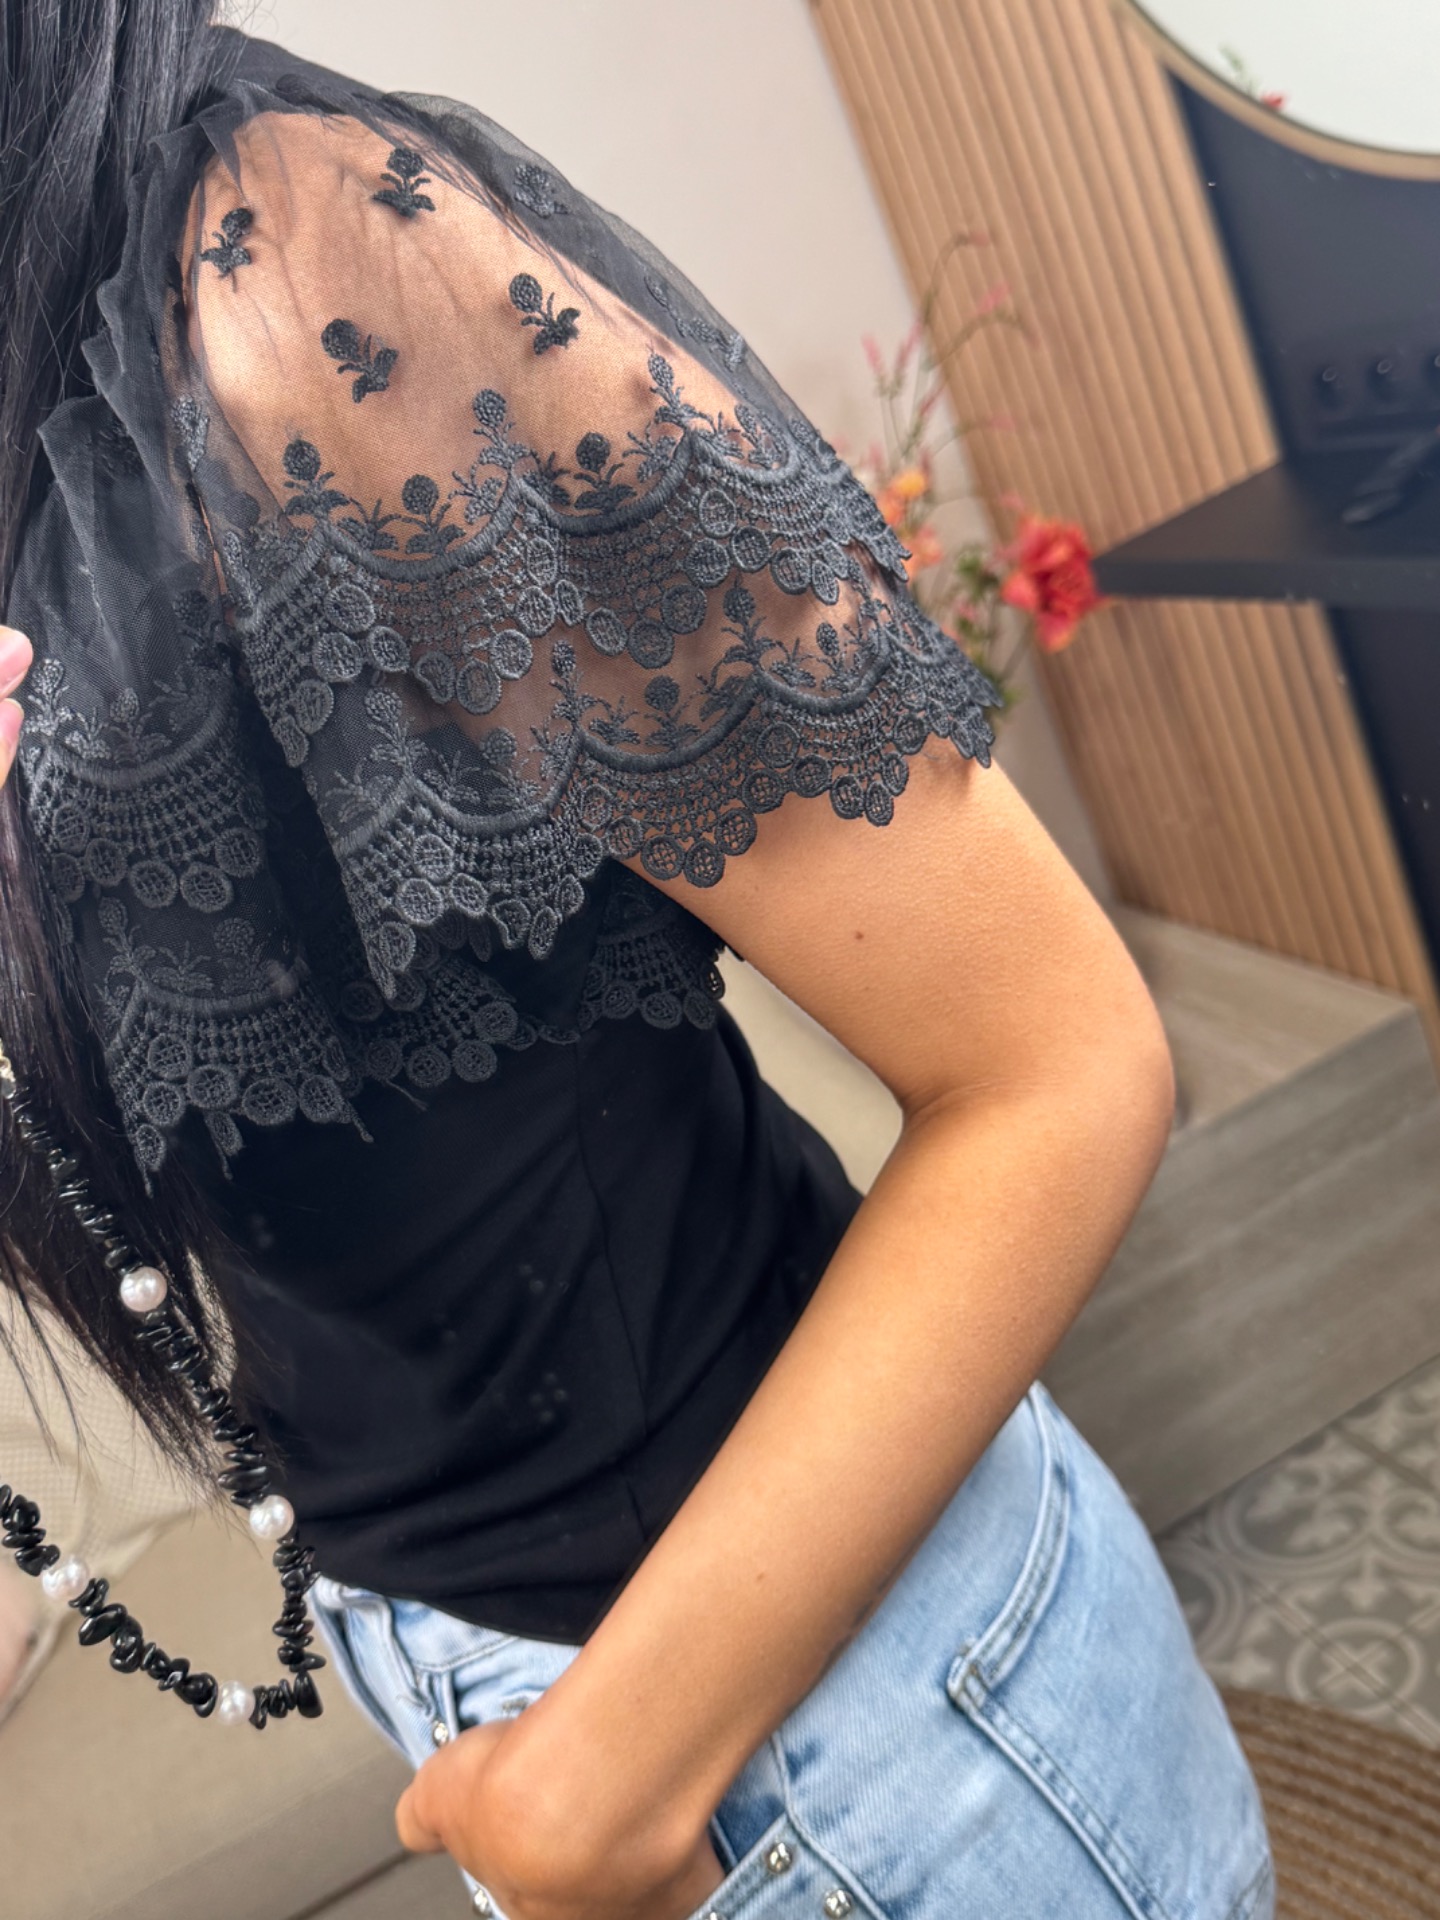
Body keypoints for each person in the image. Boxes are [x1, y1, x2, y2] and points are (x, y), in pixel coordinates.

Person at [0, 9, 1274, 1918]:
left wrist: (611, 1769)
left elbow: (1056, 1060)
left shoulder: (303, 271)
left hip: (839, 1741)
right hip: (491, 1666)